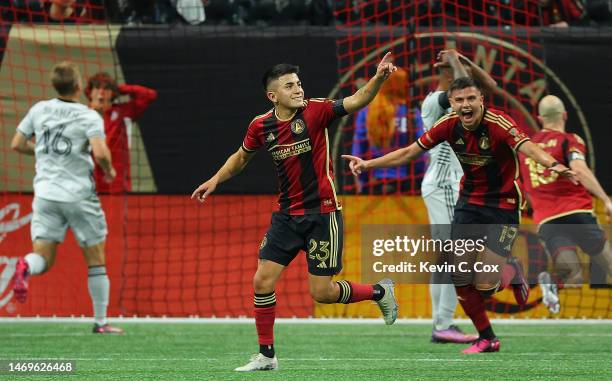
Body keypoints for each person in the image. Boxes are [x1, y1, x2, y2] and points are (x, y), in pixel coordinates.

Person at [191, 53, 400, 371]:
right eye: (290, 86)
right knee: (262, 281)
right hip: (287, 216)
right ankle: (266, 356)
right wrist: (215, 179)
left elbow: (357, 100)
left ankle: (379, 291)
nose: (298, 89)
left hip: (323, 214)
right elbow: (241, 157)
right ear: (273, 95)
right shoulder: (261, 126)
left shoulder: (317, 111)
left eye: (299, 83)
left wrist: (380, 77)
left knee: (323, 293)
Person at [342, 76, 575, 353]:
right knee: (458, 275)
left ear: (481, 101)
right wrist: (368, 164)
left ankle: (511, 271)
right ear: (451, 104)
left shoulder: (498, 124)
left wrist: (553, 164)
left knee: (486, 285)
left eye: (471, 99)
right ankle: (487, 337)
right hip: (469, 204)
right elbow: (408, 153)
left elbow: (527, 146)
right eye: (460, 100)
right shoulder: (447, 125)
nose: (466, 105)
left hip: (503, 205)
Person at [10, 61, 122, 334]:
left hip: (45, 194)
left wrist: (42, 152)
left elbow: (17, 144)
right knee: (96, 258)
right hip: (78, 195)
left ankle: (25, 265)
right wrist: (109, 171)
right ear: (78, 86)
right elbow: (101, 153)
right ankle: (100, 322)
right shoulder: (88, 116)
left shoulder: (39, 109)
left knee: (43, 259)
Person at [421, 49, 498, 345]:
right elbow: (465, 82)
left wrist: (465, 62)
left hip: (450, 186)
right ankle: (443, 323)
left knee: (445, 259)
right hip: (443, 185)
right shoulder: (434, 101)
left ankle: (442, 323)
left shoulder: (462, 97)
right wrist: (455, 61)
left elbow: (489, 87)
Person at [519, 95, 612, 313]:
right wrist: (606, 200)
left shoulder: (527, 150)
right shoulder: (569, 139)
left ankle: (553, 282)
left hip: (548, 221)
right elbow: (578, 169)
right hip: (577, 213)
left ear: (540, 118)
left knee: (574, 276)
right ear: (565, 115)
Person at [351, 67, 425, 194]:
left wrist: (360, 182)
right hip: (407, 183)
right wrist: (420, 177)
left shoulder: (367, 112)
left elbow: (358, 149)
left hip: (374, 182)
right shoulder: (411, 113)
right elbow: (422, 151)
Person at [85, 72, 157, 193]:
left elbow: (150, 95)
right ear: (90, 92)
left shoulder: (123, 112)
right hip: (88, 183)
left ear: (112, 93)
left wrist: (120, 89)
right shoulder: (81, 115)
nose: (101, 92)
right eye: (97, 87)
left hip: (117, 184)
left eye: (106, 88)